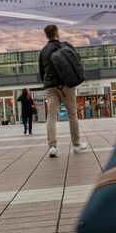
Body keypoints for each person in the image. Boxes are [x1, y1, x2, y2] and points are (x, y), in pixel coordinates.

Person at [38, 24, 88, 158]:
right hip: (66, 85)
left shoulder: (43, 51)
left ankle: (52, 147)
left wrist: (49, 81)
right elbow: (77, 60)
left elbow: (41, 72)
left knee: (51, 116)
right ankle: (76, 145)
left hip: (50, 86)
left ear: (46, 35)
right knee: (72, 114)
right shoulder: (65, 46)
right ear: (57, 33)